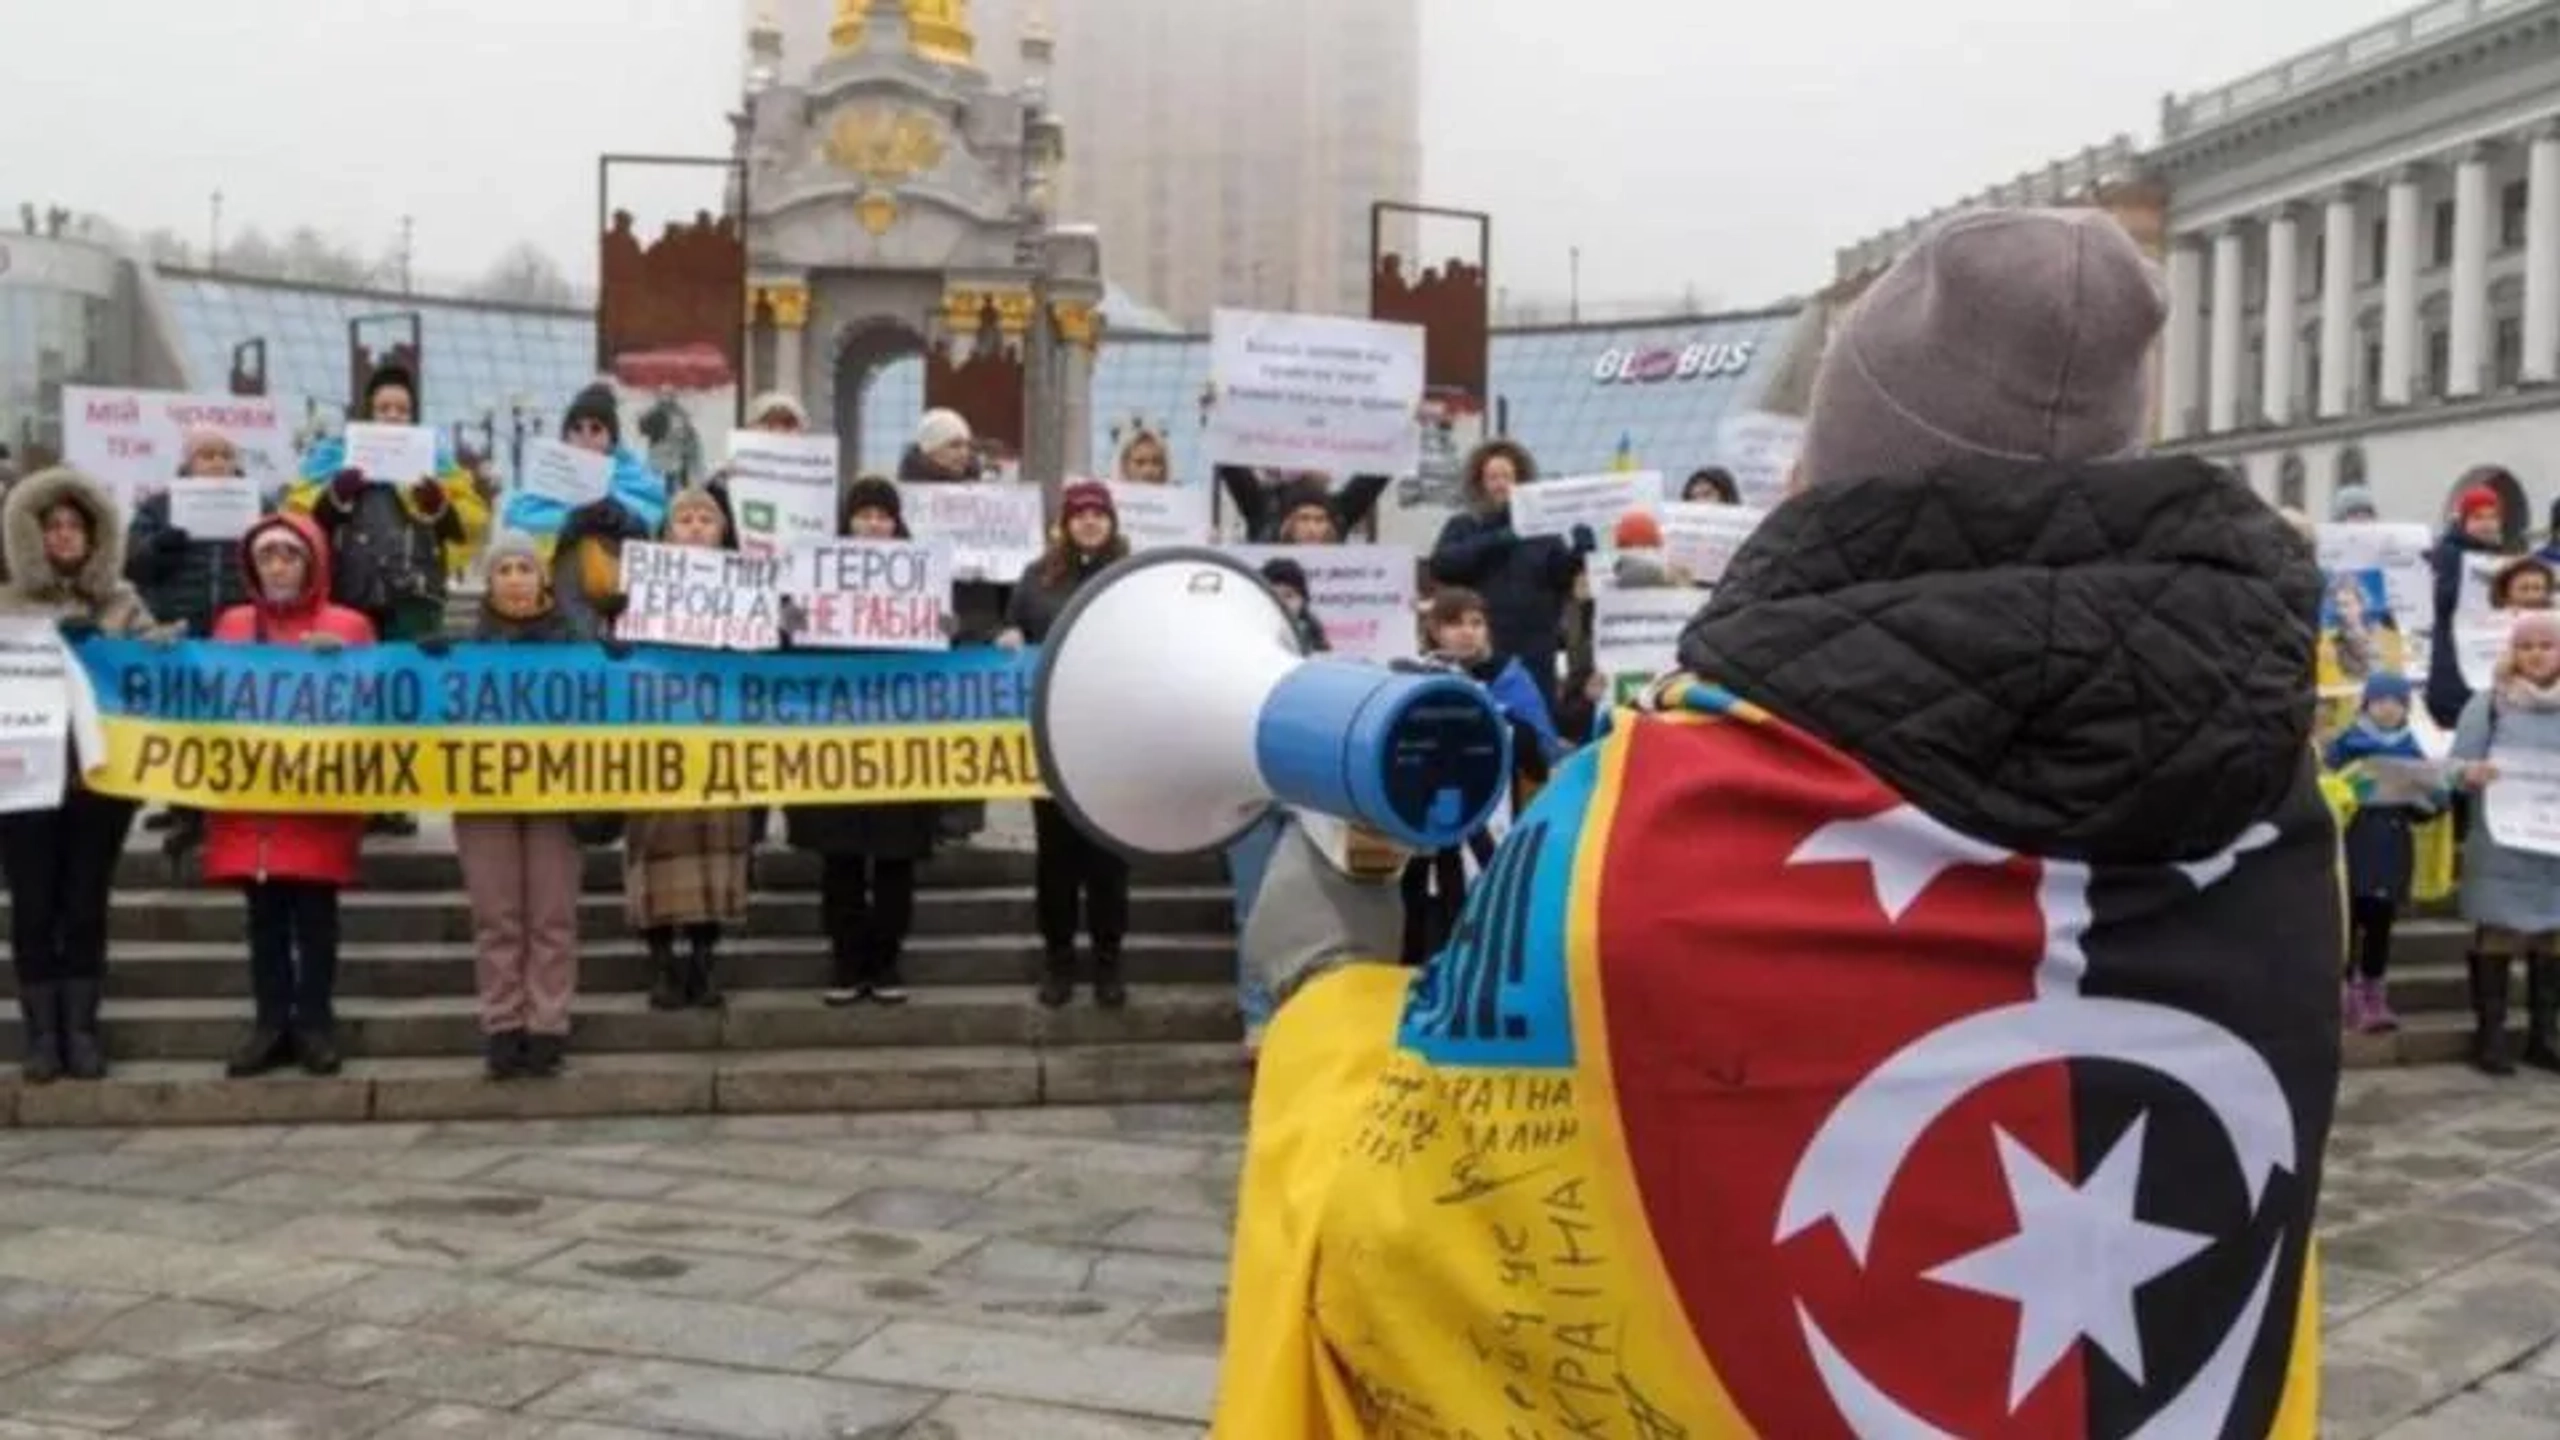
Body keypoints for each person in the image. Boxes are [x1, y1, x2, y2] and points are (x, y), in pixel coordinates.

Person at [1213, 209, 2336, 1436]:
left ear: (1817, 481)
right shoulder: (2279, 817)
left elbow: (1409, 1256)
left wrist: (1323, 991)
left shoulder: (1625, 823)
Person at [0, 467, 160, 1084]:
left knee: (86, 904)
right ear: (31, 535)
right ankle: (43, 1034)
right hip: (21, 786)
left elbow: (154, 668)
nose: (65, 537)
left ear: (97, 538)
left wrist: (162, 647)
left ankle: (83, 1030)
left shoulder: (122, 603)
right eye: (54, 526)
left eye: (76, 526)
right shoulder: (7, 605)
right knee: (33, 906)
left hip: (99, 783)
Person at [202, 514, 374, 1077]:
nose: (278, 566)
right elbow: (201, 700)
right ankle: (270, 1023)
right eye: (268, 556)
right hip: (252, 802)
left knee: (316, 919)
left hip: (317, 801)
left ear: (313, 562)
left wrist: (345, 668)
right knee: (264, 921)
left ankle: (315, 1023)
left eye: (289, 555)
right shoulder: (231, 624)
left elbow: (379, 706)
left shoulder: (347, 627)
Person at [288, 362, 487, 838]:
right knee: (353, 698)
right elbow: (300, 522)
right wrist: (336, 495)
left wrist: (437, 502)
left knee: (405, 699)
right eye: (383, 408)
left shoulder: (438, 467)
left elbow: (470, 525)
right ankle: (356, 795)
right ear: (366, 413)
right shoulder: (331, 462)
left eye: (402, 409)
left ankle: (397, 800)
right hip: (349, 598)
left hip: (413, 597)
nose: (393, 416)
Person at [787, 477, 944, 1007]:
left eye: (883, 516)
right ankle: (846, 962)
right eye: (864, 516)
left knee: (895, 862)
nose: (874, 525)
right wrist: (791, 624)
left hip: (900, 745)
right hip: (838, 744)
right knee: (842, 862)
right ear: (847, 522)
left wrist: (947, 626)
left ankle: (887, 960)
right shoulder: (816, 579)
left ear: (897, 524)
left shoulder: (923, 581)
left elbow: (943, 658)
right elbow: (794, 658)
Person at [452, 534, 588, 1080]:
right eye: (504, 568)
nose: (514, 577)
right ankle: (503, 1024)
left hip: (555, 793)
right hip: (485, 796)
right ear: (490, 583)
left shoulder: (575, 645)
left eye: (524, 568)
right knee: (497, 915)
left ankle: (548, 1024)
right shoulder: (461, 649)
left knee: (552, 915)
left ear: (543, 579)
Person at [999, 481, 1133, 1008]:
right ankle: (1058, 959)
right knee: (1055, 860)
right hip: (1051, 742)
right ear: (1066, 521)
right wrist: (1008, 636)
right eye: (1082, 514)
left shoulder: (1132, 579)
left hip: (1112, 744)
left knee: (1108, 861)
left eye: (1100, 514)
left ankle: (1107, 961)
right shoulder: (1037, 579)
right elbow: (1014, 624)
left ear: (1112, 522)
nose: (1091, 522)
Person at [623, 488, 754, 1012]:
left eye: (706, 519)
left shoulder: (748, 590)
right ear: (667, 532)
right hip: (657, 743)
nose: (696, 527)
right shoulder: (637, 592)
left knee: (715, 855)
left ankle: (703, 962)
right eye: (685, 519)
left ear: (723, 532)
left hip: (720, 740)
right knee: (656, 851)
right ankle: (661, 966)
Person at [125, 427, 264, 858]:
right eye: (207, 455)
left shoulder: (257, 506)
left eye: (225, 455)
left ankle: (226, 805)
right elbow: (133, 566)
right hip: (179, 630)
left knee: (229, 723)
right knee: (181, 725)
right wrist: (160, 547)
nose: (217, 463)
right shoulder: (157, 508)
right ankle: (184, 809)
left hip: (238, 633)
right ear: (187, 463)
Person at [2448, 608, 2560, 1076]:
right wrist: (2469, 773)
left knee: (2554, 938)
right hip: (2500, 841)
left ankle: (2544, 1035)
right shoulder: (2488, 703)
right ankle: (2490, 1035)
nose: (2535, 655)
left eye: (2546, 645)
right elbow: (2453, 768)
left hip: (2553, 844)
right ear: (2513, 653)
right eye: (2526, 646)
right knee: (2497, 932)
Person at [1426, 439, 1594, 712]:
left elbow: (1560, 578)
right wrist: (1497, 538)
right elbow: (1443, 564)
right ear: (1480, 483)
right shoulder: (1465, 525)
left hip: (1536, 650)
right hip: (1483, 650)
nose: (1500, 483)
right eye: (1492, 477)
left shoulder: (1542, 531)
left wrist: (1579, 554)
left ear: (1521, 481)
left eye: (1507, 476)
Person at [2325, 671, 2446, 1036]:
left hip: (2393, 847)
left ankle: (2374, 994)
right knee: (2348, 923)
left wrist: (2432, 799)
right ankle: (2344, 994)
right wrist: (2348, 790)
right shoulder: (2346, 743)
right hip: (2352, 845)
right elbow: (2326, 789)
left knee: (2381, 924)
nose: (2388, 709)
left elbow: (2429, 803)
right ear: (2366, 704)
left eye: (2396, 702)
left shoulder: (2415, 748)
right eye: (2380, 701)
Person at [499, 383, 670, 553]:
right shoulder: (548, 474)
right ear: (566, 435)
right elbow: (516, 517)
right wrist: (572, 517)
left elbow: (655, 515)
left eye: (596, 429)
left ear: (612, 438)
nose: (585, 436)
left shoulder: (633, 474)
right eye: (577, 428)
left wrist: (616, 511)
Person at [2426, 478, 2516, 729]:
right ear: (2464, 521)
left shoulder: (2498, 556)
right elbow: (2441, 601)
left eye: (2492, 517)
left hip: (2489, 656)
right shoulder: (2448, 553)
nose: (2487, 524)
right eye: (2478, 518)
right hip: (2454, 663)